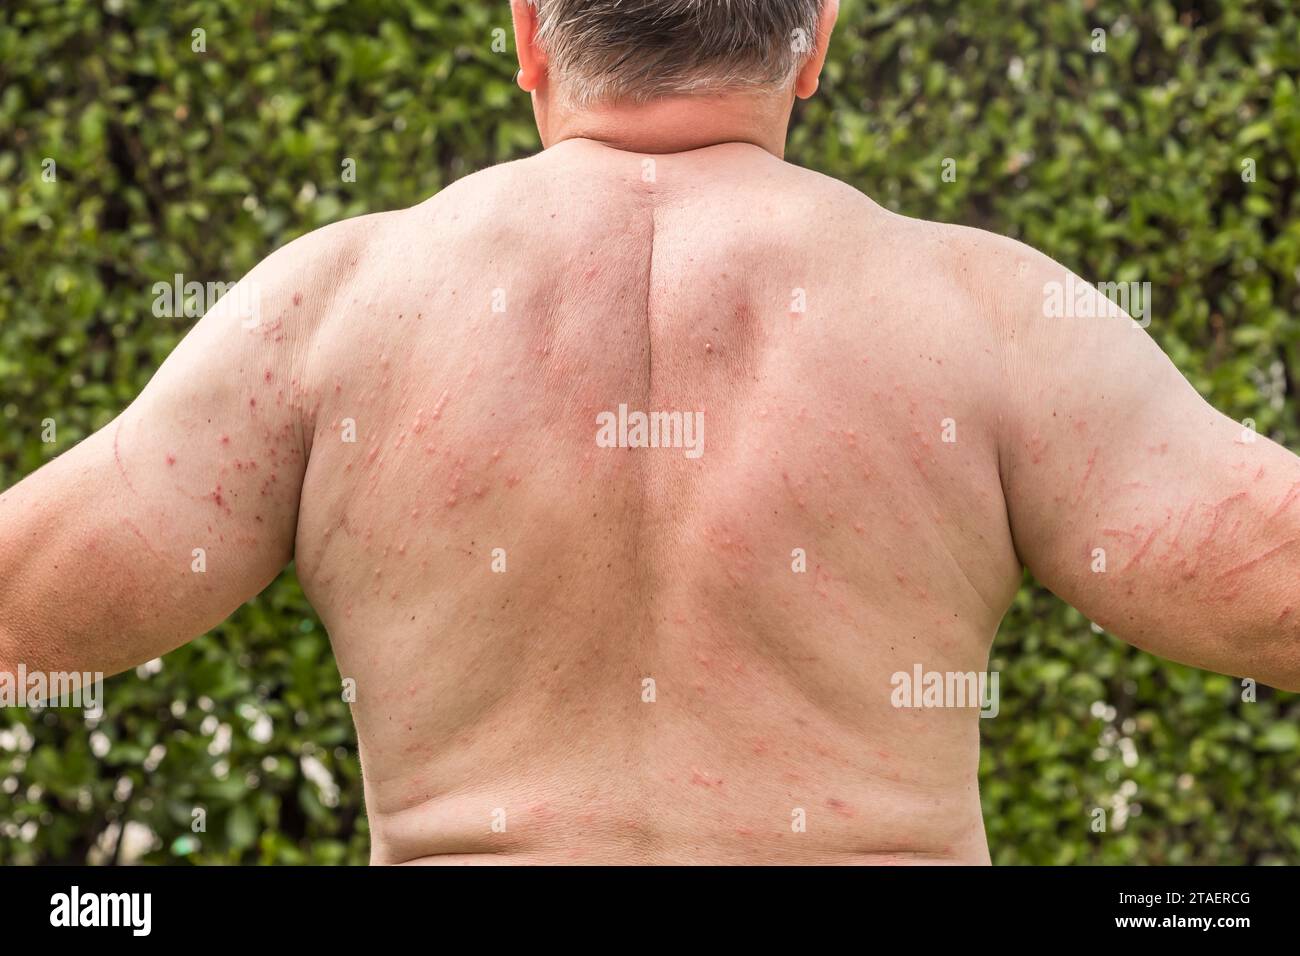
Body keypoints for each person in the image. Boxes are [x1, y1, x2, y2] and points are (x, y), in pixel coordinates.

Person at [1, 0, 1296, 864]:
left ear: (528, 35)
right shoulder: (988, 314)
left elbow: (27, 609)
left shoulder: (331, 312)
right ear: (814, 44)